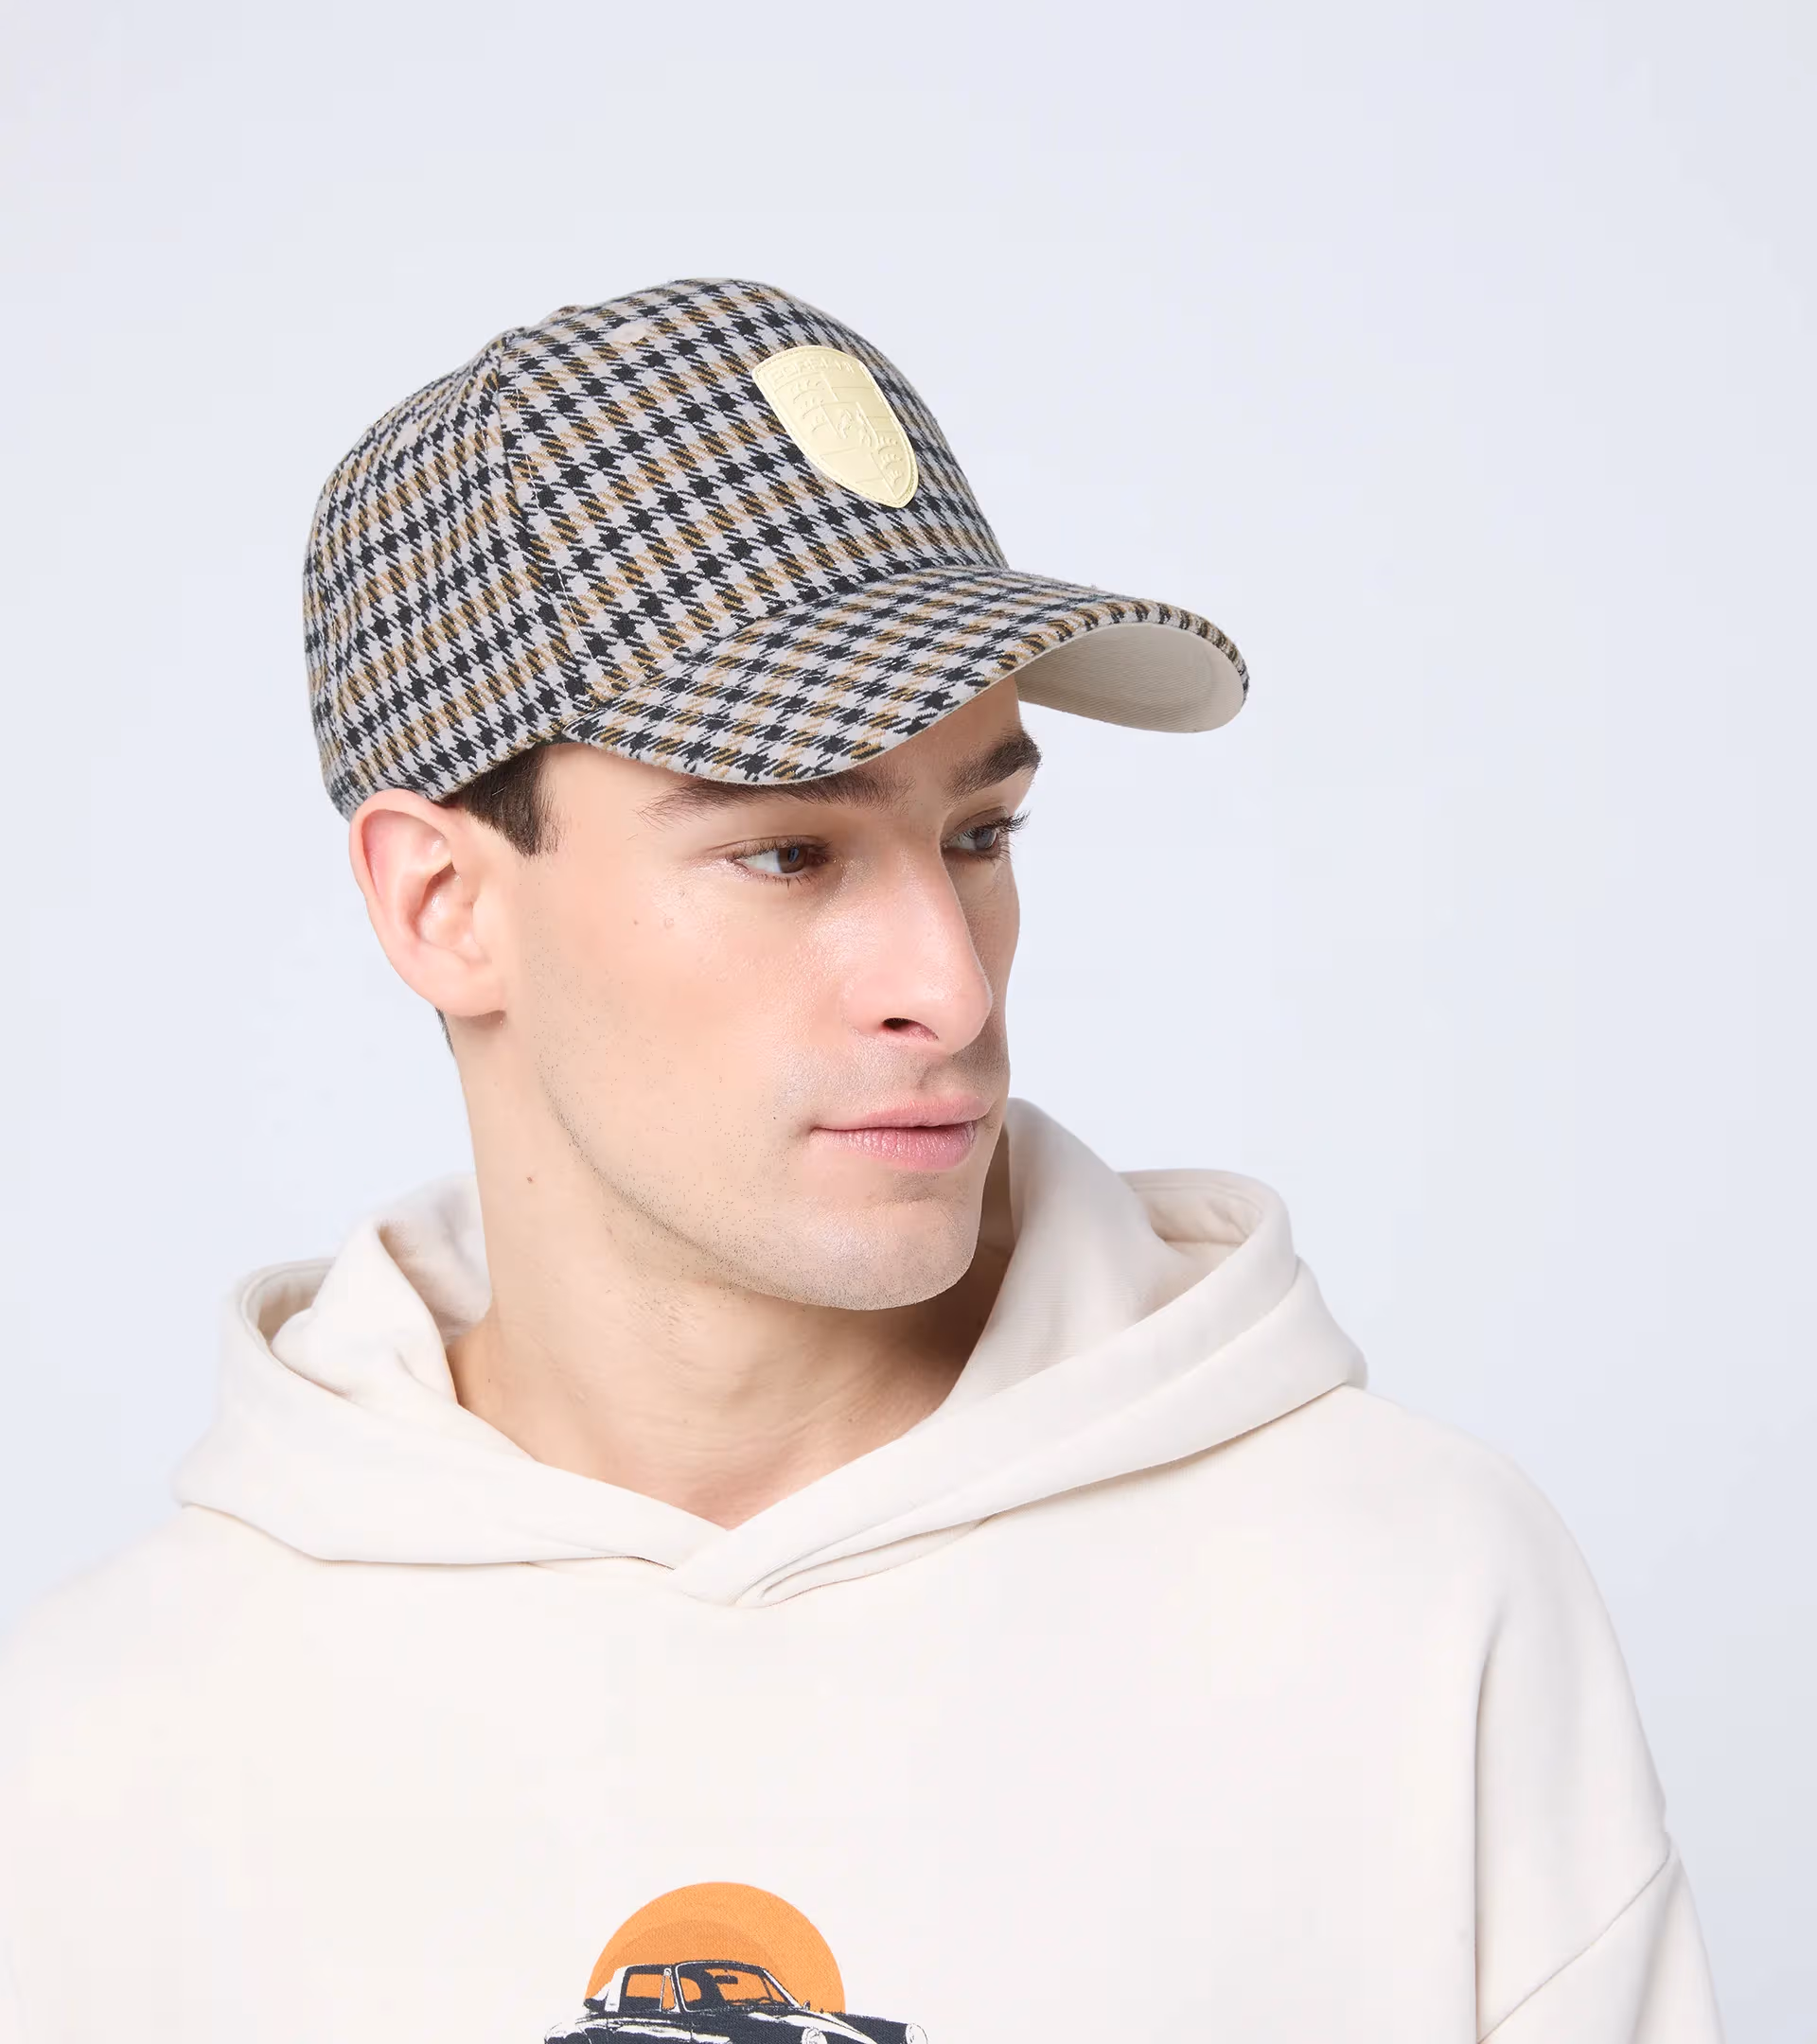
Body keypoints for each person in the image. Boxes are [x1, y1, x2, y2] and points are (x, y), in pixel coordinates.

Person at [0, 278, 1723, 2044]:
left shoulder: (1407, 1602)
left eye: (980, 832)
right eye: (790, 853)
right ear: (443, 905)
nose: (951, 986)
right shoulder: (103, 1760)